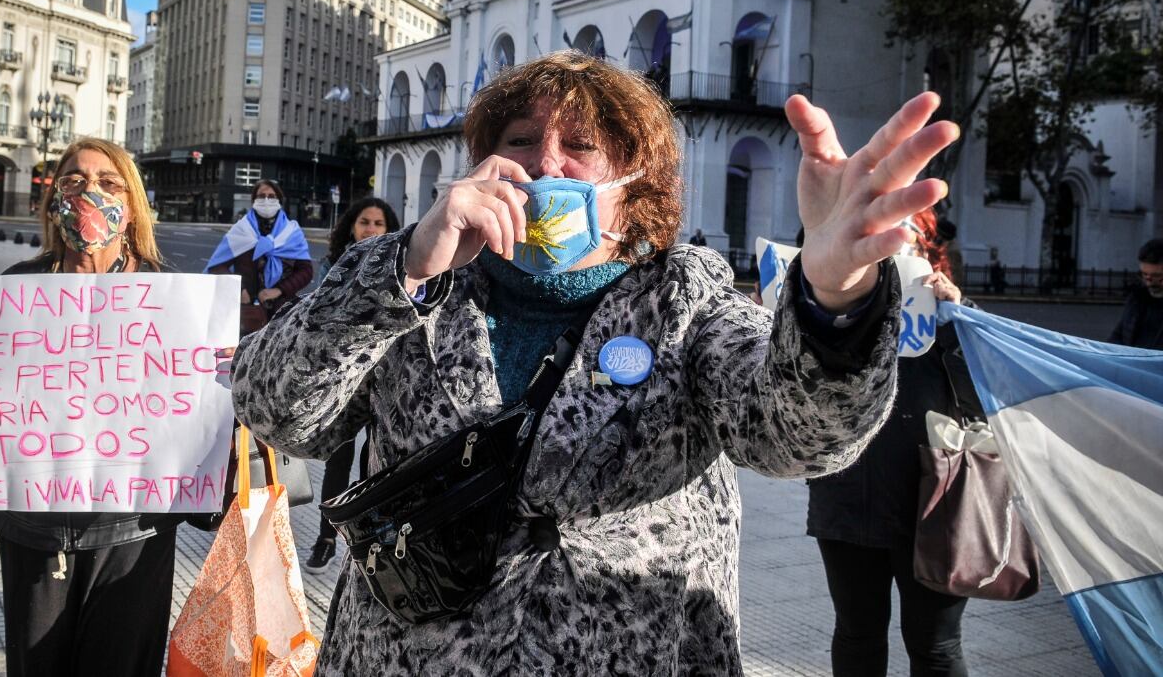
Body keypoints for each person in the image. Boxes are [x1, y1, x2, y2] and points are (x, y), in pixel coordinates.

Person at [228, 51, 957, 675]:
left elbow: (798, 433)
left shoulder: (684, 294)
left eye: (580, 146)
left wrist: (835, 298)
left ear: (633, 184)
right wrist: (406, 267)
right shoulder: (416, 283)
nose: (544, 163)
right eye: (519, 139)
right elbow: (273, 407)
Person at [0, 137, 175, 676]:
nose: (90, 193)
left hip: (134, 531)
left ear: (132, 205)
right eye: (73, 181)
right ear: (53, 203)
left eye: (108, 183)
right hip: (34, 527)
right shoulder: (16, 287)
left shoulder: (171, 295)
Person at [807, 206, 980, 677]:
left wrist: (957, 321)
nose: (894, 250)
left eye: (907, 241)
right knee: (857, 632)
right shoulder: (833, 309)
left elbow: (981, 399)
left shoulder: (953, 319)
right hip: (847, 496)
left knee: (935, 645)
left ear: (928, 253)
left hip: (932, 503)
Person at [305, 196, 401, 572]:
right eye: (365, 222)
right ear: (351, 227)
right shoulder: (333, 266)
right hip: (344, 377)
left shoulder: (401, 265)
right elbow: (319, 318)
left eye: (379, 223)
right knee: (338, 462)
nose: (372, 230)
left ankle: (371, 541)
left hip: (385, 376)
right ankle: (326, 538)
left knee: (377, 463)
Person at [207, 179, 313, 332]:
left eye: (271, 196)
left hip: (283, 312)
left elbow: (306, 271)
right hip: (248, 312)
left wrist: (279, 290)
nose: (266, 200)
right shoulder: (240, 231)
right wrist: (239, 289)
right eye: (261, 196)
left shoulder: (292, 233)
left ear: (279, 200)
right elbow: (217, 267)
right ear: (254, 200)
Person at [1109, 238, 1163, 349]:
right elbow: (1119, 335)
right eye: (1144, 274)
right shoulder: (1136, 298)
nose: (1149, 281)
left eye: (1156, 276)